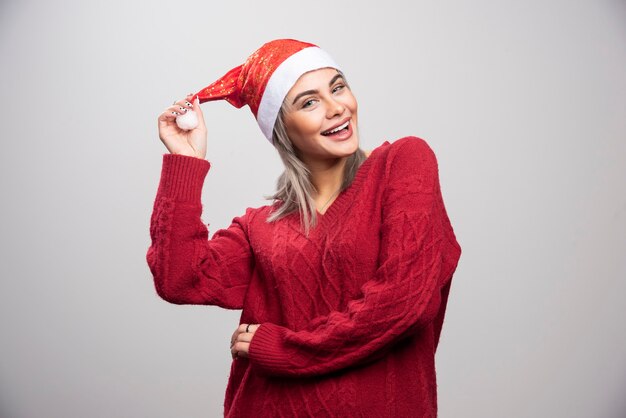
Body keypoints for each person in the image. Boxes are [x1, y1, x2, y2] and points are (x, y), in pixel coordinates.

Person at [147, 38, 462, 418]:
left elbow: (405, 302)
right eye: (309, 102)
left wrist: (290, 350)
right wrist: (185, 161)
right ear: (282, 130)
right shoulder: (259, 227)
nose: (336, 108)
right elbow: (178, 278)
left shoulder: (403, 164)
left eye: (338, 87)